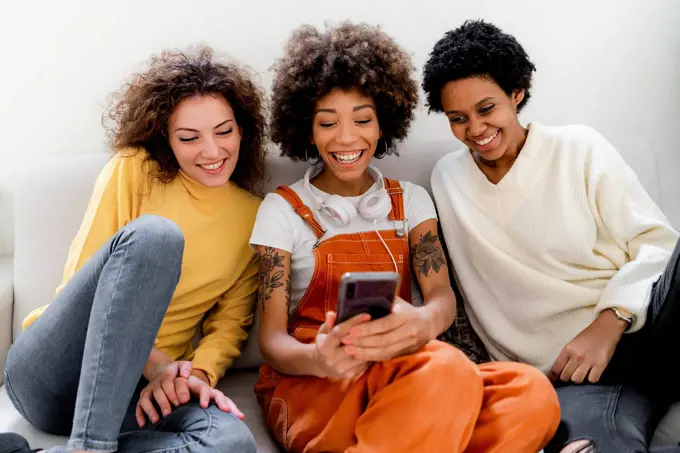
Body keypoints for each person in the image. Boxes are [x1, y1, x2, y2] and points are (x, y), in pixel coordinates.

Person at [249, 21, 560, 453]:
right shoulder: (280, 210)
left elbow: (441, 297)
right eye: (327, 123)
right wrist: (319, 359)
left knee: (531, 391)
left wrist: (422, 323)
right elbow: (272, 341)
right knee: (447, 371)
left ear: (383, 125)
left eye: (362, 119)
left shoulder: (411, 202)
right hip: (316, 382)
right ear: (307, 129)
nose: (346, 137)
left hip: (408, 368)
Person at [423, 19, 680, 453]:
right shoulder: (446, 180)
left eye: (487, 109)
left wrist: (610, 319)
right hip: (572, 378)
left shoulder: (578, 148)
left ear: (516, 94)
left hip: (648, 328)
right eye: (458, 119)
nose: (476, 130)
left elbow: (658, 242)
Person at [1, 46, 266, 453]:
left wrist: (193, 375)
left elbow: (229, 327)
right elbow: (83, 280)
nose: (212, 151)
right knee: (158, 237)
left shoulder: (253, 217)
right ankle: (90, 447)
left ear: (243, 130)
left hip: (135, 393)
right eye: (189, 138)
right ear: (167, 139)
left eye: (224, 131)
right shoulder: (136, 168)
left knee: (231, 442)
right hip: (53, 371)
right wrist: (155, 362)